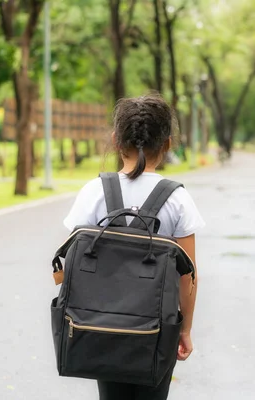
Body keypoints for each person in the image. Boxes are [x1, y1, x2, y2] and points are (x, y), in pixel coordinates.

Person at [63, 94, 205, 400]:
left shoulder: (95, 191)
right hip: (157, 329)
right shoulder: (177, 199)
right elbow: (188, 277)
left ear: (116, 141)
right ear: (168, 144)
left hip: (101, 327)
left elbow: (68, 267)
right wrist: (185, 330)